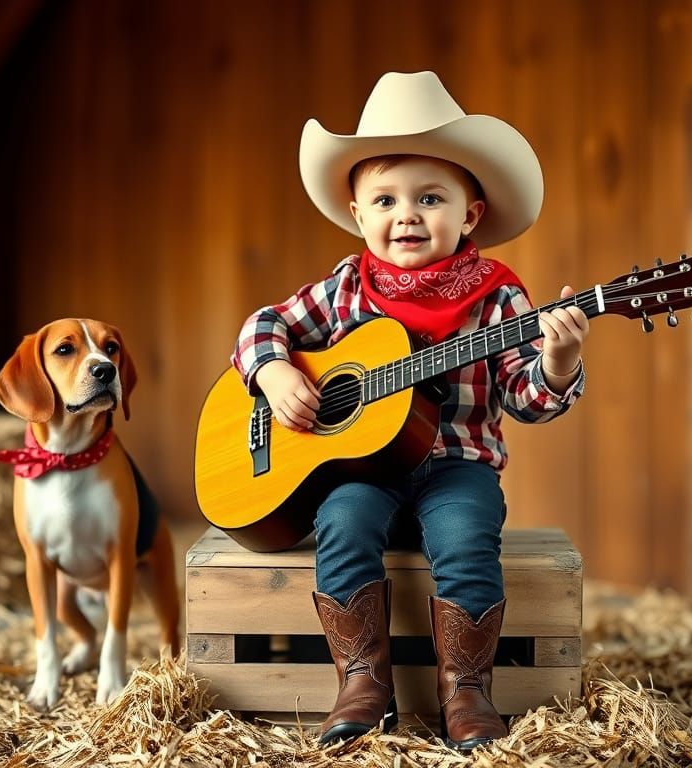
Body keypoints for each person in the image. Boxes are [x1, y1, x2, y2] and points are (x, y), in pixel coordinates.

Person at [231, 71, 588, 751]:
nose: (408, 216)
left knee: (464, 538)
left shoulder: (499, 299)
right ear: (359, 213)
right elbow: (262, 324)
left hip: (457, 466)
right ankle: (362, 683)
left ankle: (466, 692)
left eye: (431, 198)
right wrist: (274, 370)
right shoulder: (344, 289)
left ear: (470, 214)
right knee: (341, 518)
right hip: (360, 470)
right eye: (386, 200)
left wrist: (559, 362)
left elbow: (527, 397)